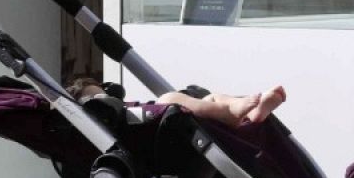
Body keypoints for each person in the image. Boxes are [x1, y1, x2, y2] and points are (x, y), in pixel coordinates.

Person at [69, 78, 289, 129]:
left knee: (211, 97)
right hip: (161, 139)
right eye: (96, 100)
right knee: (168, 99)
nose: (105, 101)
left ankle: (248, 112)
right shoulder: (108, 124)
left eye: (104, 95)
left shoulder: (124, 108)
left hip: (173, 124)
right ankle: (231, 112)